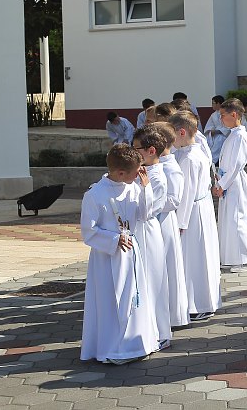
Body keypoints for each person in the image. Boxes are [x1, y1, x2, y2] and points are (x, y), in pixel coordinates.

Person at [79, 144, 159, 364]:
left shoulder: (133, 186)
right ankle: (112, 346)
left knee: (135, 298)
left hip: (131, 252)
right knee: (109, 302)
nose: (139, 175)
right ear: (121, 172)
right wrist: (114, 239)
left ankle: (137, 343)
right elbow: (89, 231)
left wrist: (146, 189)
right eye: (136, 172)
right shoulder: (95, 194)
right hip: (108, 256)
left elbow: (144, 215)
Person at [170, 111, 222, 321]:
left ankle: (198, 302)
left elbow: (186, 193)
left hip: (192, 211)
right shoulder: (191, 151)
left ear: (182, 132)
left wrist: (180, 222)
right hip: (201, 208)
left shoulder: (190, 158)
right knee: (202, 255)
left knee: (195, 258)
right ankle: (204, 300)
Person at [131, 125, 172, 348]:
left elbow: (146, 211)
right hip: (137, 230)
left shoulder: (157, 177)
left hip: (147, 230)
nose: (133, 152)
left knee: (152, 281)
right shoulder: (140, 173)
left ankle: (159, 332)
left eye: (136, 148)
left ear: (151, 150)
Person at [152, 123, 189, 329]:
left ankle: (171, 314)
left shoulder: (171, 168)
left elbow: (174, 200)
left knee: (166, 267)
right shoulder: (157, 165)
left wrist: (148, 199)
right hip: (155, 220)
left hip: (164, 220)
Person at [213, 98, 247, 272]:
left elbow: (237, 164)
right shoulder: (233, 134)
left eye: (223, 115)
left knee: (237, 218)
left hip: (234, 181)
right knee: (229, 220)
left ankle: (245, 259)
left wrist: (222, 183)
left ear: (234, 114)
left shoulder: (240, 136)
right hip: (227, 181)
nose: (221, 119)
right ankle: (231, 257)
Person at [204, 95, 229, 165]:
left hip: (224, 134)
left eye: (213, 103)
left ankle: (213, 161)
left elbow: (229, 126)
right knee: (206, 139)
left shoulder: (227, 113)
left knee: (219, 139)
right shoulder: (213, 115)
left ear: (218, 104)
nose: (212, 105)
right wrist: (211, 131)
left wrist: (219, 131)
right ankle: (207, 159)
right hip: (214, 134)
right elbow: (209, 126)